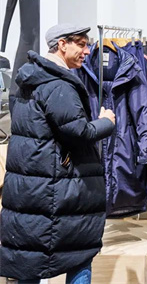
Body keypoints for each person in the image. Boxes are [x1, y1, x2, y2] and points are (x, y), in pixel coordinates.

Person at [0, 24, 116, 284]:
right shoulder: (58, 86)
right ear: (62, 44)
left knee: (29, 260)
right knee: (79, 255)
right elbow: (78, 131)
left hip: (32, 187)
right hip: (58, 190)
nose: (87, 51)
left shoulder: (31, 78)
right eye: (81, 44)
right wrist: (106, 122)